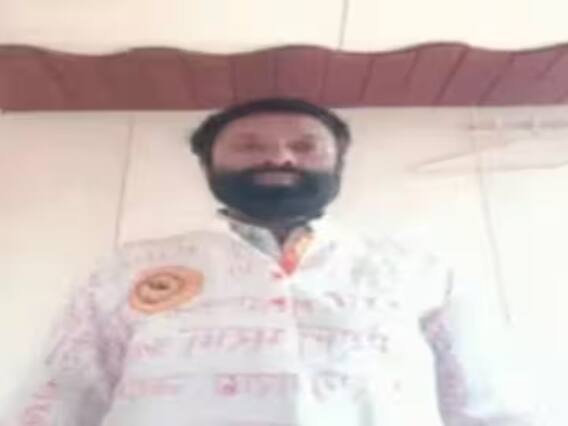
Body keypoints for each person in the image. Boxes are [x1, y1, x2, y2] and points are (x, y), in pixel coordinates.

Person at [2, 98, 546, 425]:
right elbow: (60, 394)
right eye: (248, 145)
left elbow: (490, 405)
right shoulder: (128, 269)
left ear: (338, 165)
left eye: (306, 146)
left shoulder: (418, 271)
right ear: (208, 166)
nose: (280, 156)